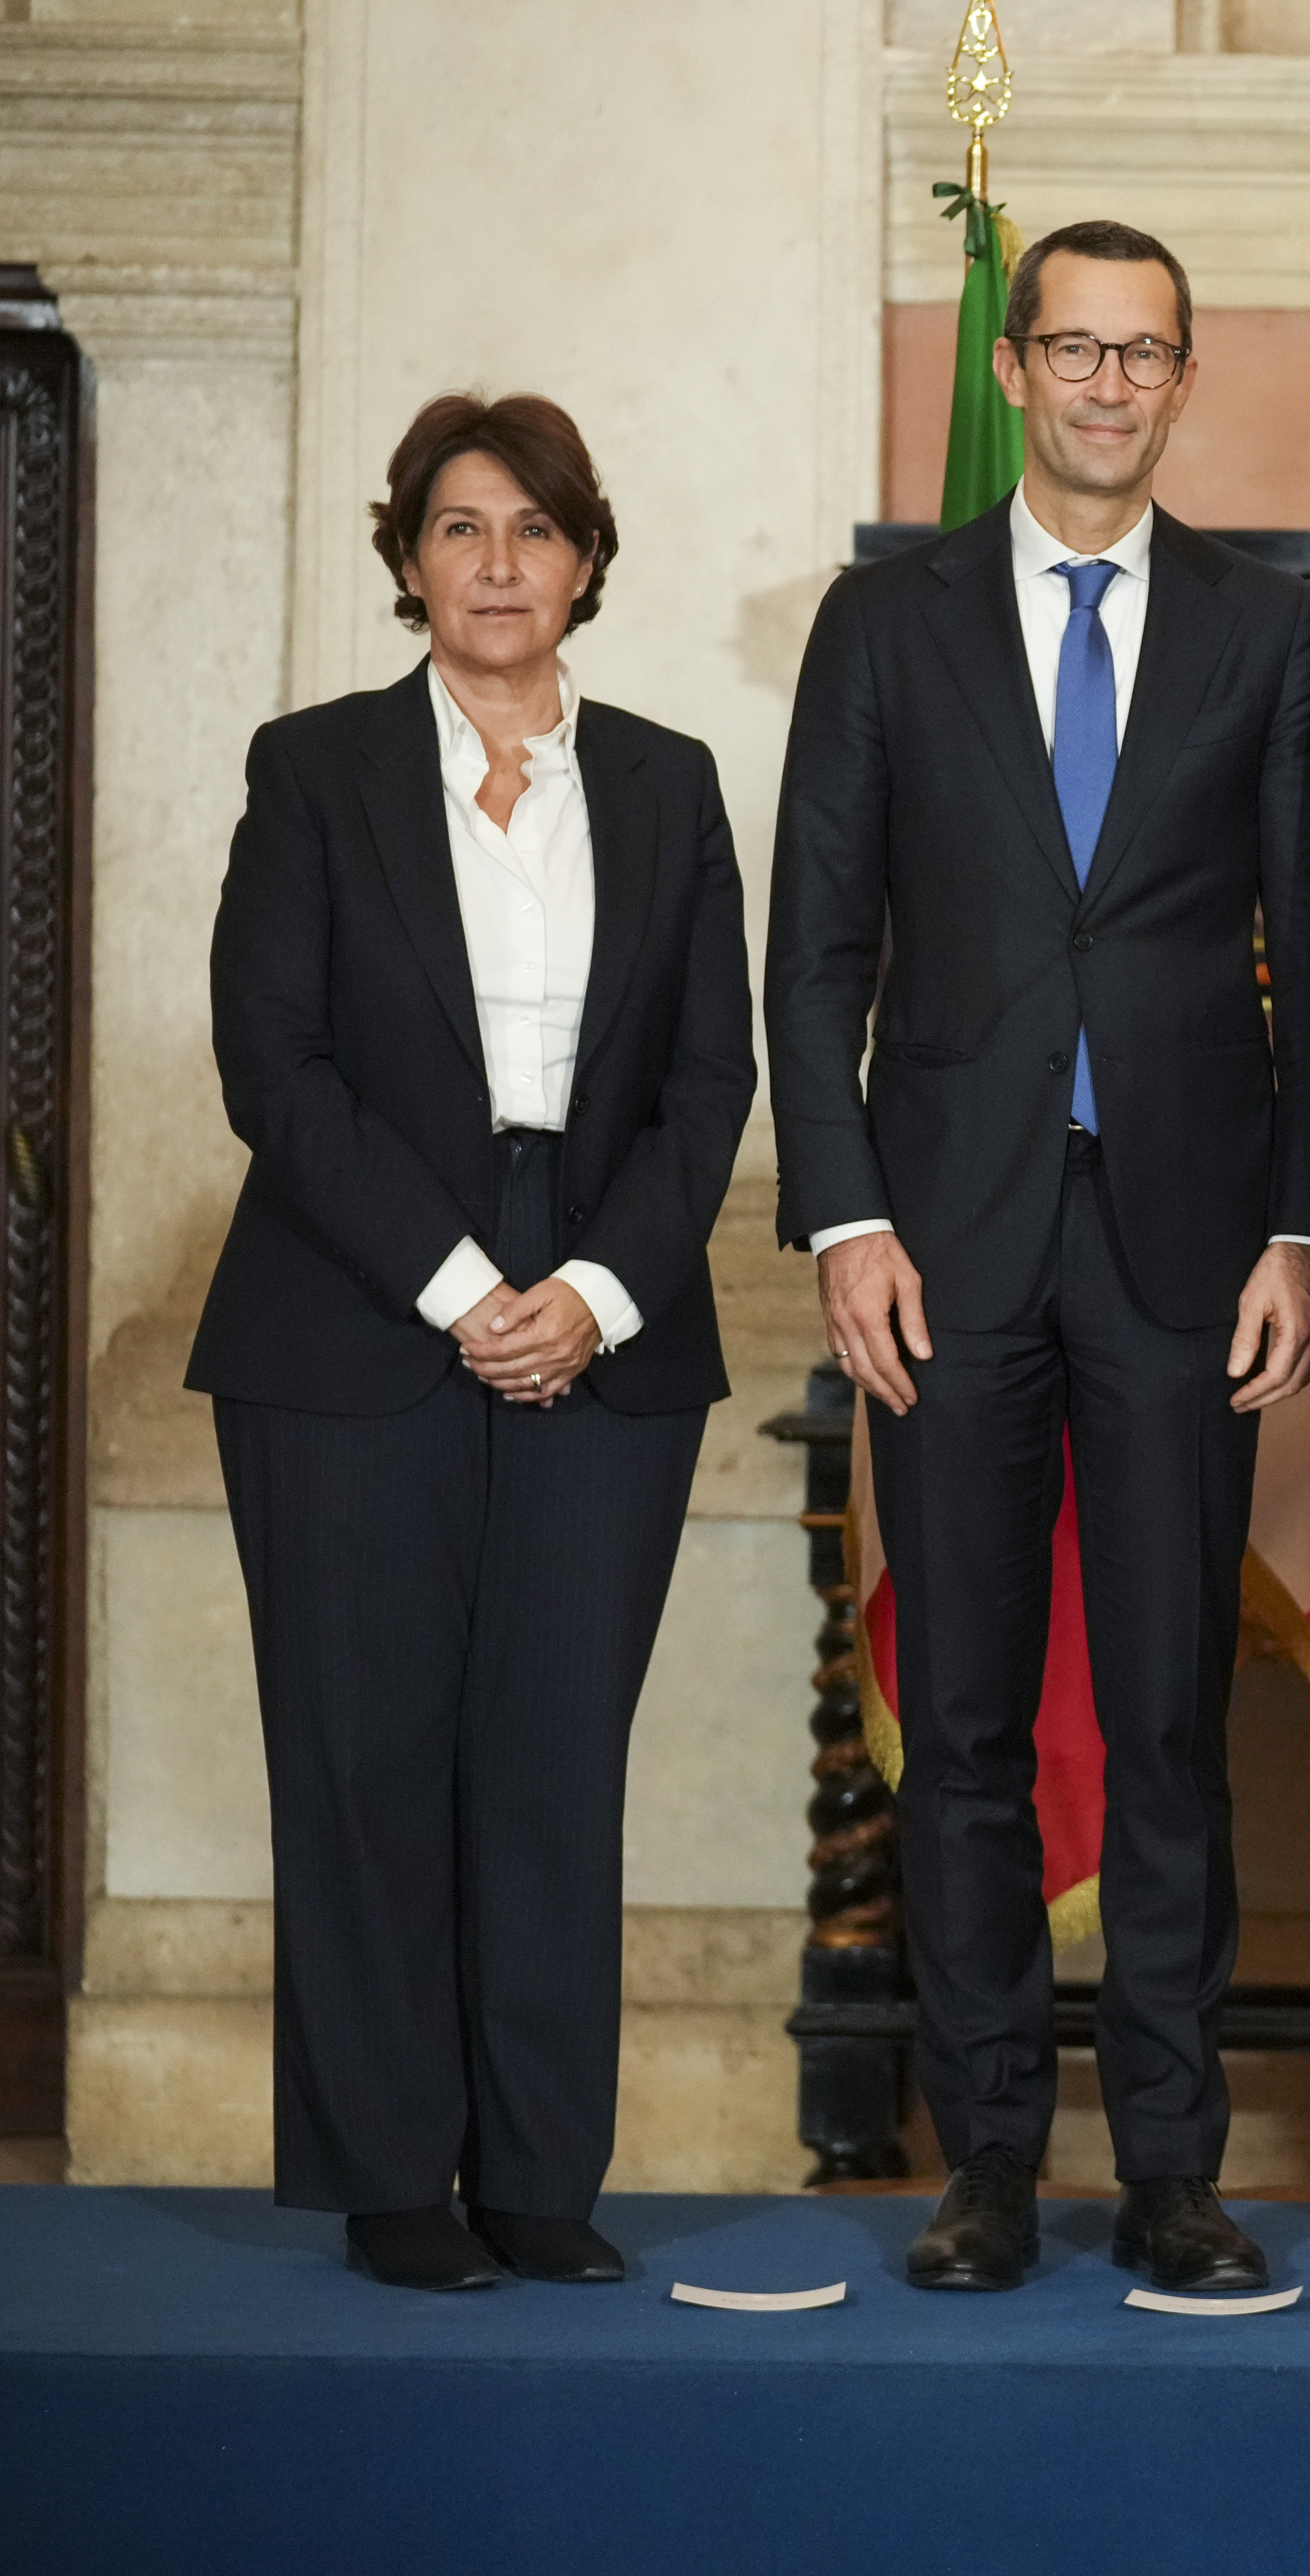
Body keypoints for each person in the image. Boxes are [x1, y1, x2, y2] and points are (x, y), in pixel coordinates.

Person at [768, 221, 1310, 2296]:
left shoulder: (1273, 630)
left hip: (1192, 1249)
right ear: (1015, 370)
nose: (1107, 383)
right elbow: (815, 945)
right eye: (1073, 348)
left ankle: (1174, 2170)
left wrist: (1302, 1227)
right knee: (975, 1727)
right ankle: (989, 2158)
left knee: (1180, 1723)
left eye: (1145, 354)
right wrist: (842, 1215)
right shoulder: (885, 621)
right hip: (944, 1245)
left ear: (1185, 383)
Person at [194, 393, 755, 2290]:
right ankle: (386, 2177)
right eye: (457, 528)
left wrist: (592, 1295)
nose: (497, 563)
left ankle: (536, 2174)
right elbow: (274, 1063)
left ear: (587, 556)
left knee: (549, 1755)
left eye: (532, 528)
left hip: (607, 1296)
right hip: (358, 1306)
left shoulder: (673, 784)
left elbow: (708, 1080)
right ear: (408, 561)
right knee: (365, 1756)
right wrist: (460, 1291)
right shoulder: (318, 768)